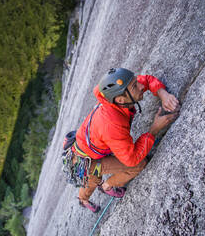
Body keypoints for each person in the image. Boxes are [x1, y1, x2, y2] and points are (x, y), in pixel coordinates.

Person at [73, 68, 180, 212]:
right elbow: (132, 159)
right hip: (86, 161)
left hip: (89, 146)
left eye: (135, 82)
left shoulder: (117, 93)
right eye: (135, 86)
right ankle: (103, 189)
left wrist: (163, 94)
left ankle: (88, 195)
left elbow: (146, 80)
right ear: (120, 100)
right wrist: (154, 130)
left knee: (93, 178)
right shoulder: (112, 124)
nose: (140, 86)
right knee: (131, 167)